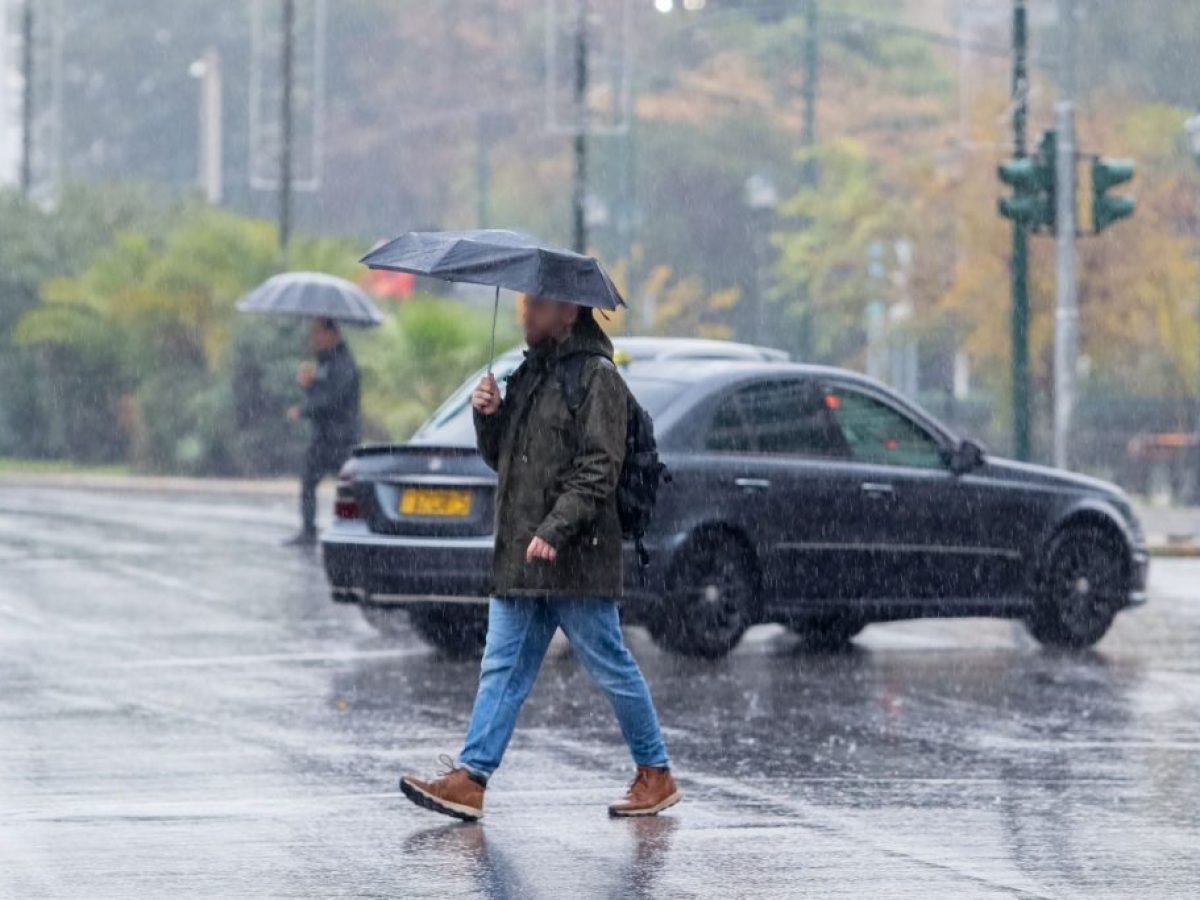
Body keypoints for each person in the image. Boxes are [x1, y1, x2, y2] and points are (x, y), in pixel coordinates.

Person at [399, 295, 680, 821]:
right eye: (525, 304)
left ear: (568, 313)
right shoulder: (529, 374)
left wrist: (556, 528)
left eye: (537, 306)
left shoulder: (598, 378)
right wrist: (488, 417)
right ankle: (471, 778)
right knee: (502, 667)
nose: (525, 314)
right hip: (522, 554)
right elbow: (504, 459)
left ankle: (656, 773)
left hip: (576, 558)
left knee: (610, 665)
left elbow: (601, 466)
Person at [284, 317, 361, 546]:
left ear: (331, 334)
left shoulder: (344, 363)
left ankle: (354, 532)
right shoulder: (326, 362)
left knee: (350, 487)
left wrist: (304, 409)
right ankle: (308, 531)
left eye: (318, 333)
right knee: (309, 481)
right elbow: (323, 394)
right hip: (324, 437)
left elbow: (332, 400)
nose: (314, 338)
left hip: (341, 438)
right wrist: (309, 385)